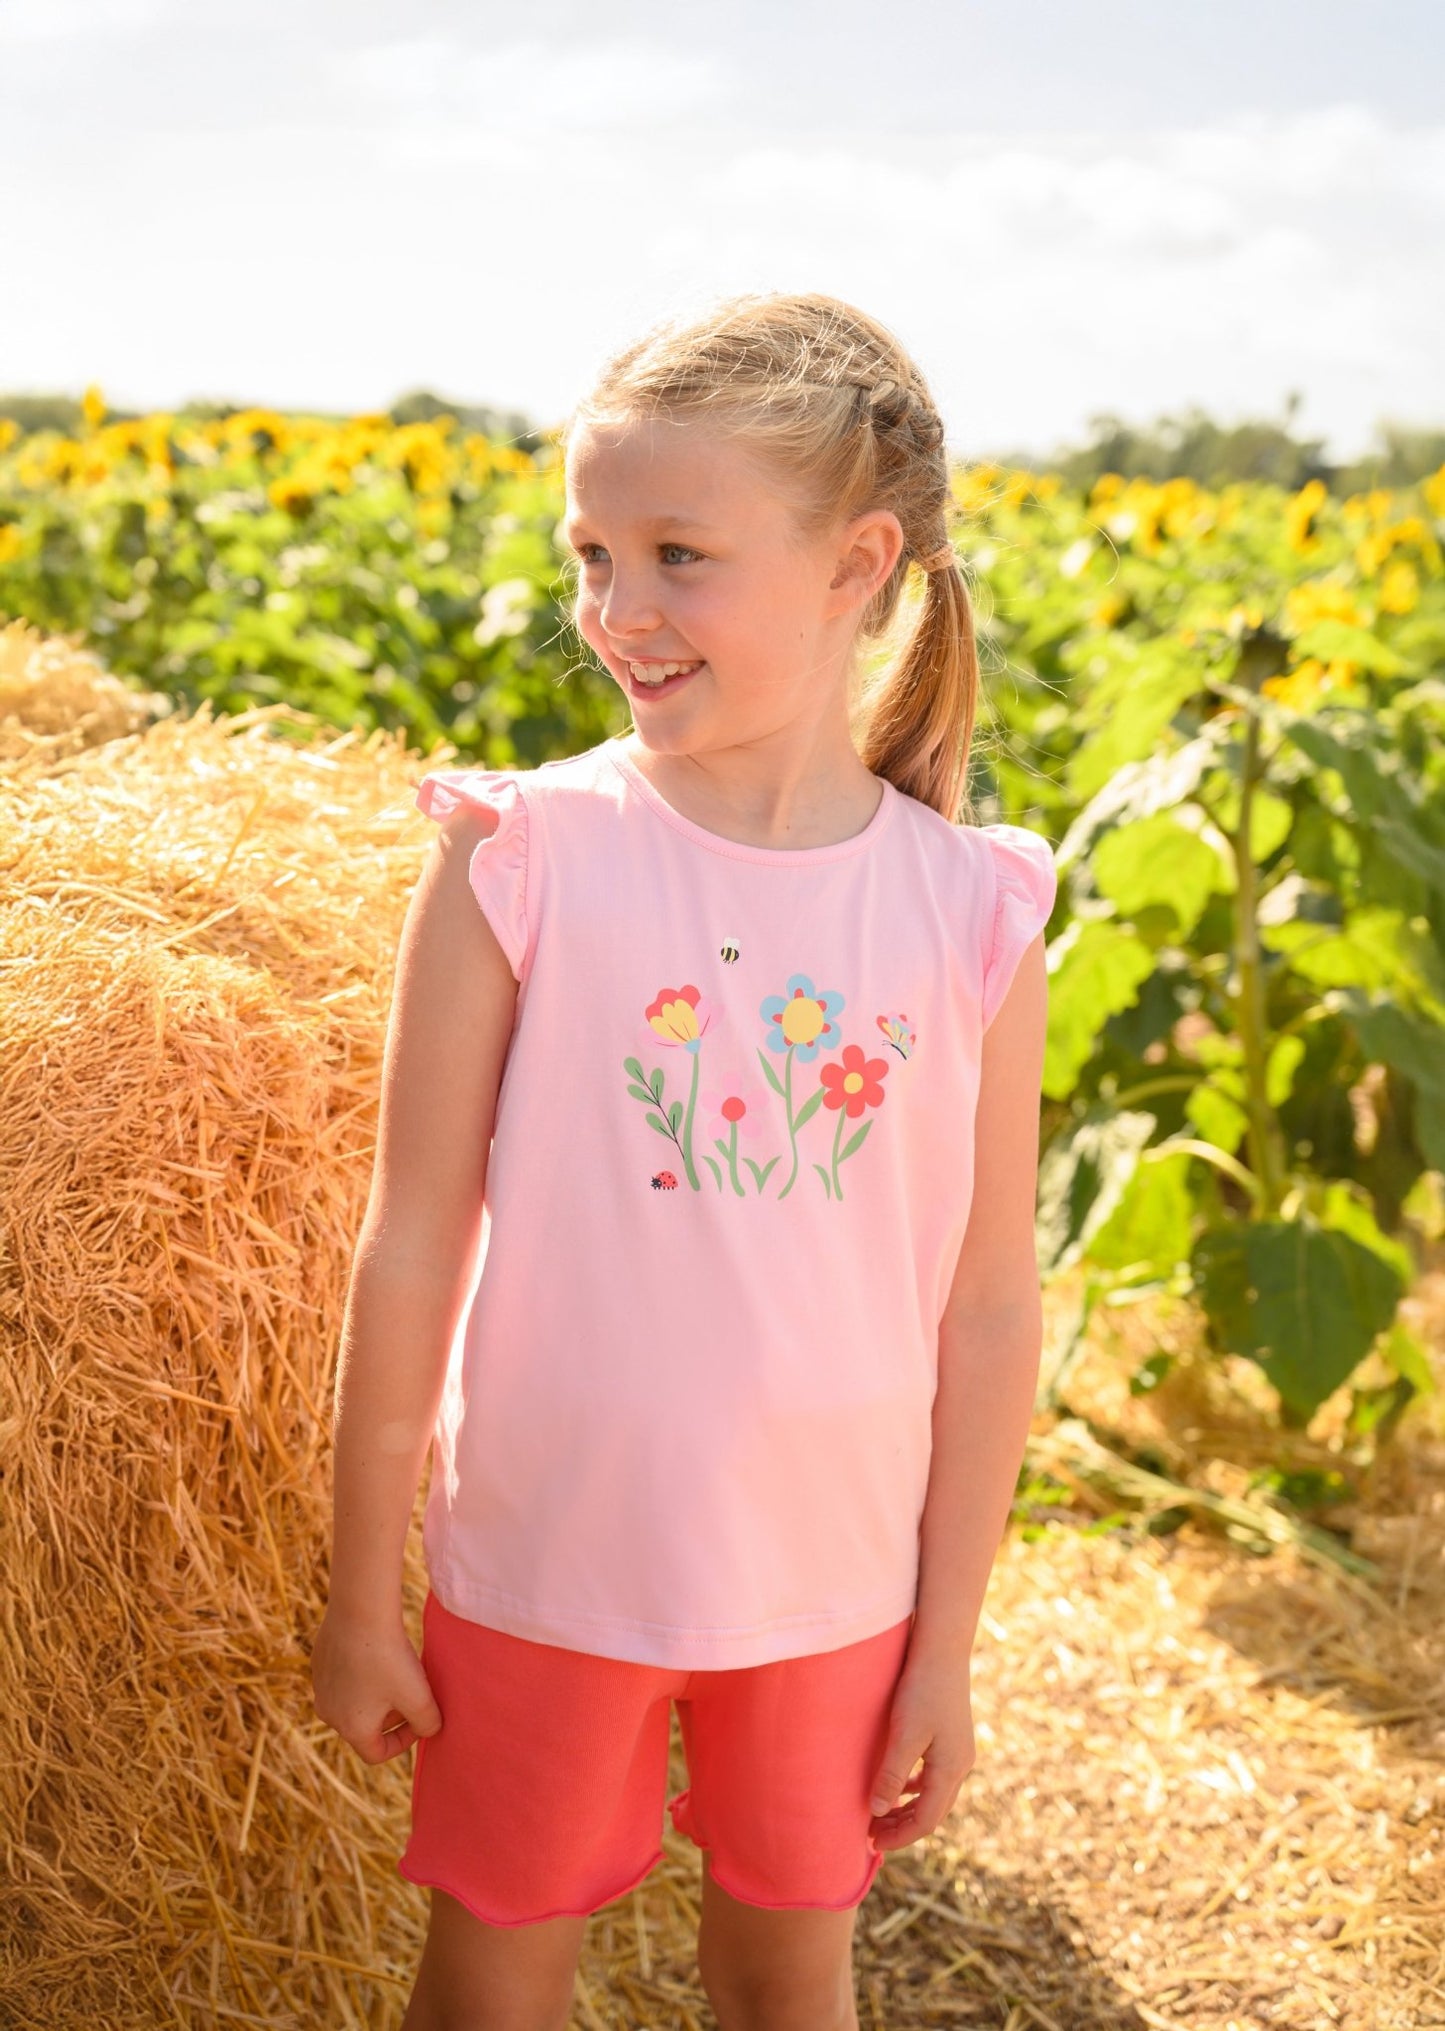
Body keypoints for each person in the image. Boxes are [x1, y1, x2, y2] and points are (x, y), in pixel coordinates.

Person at [311, 289, 1057, 2031]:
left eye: (675, 557)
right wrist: (360, 1593)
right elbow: (409, 1242)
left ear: (857, 564)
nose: (614, 611)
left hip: (835, 1585)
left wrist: (942, 1643)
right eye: (591, 555)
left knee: (789, 1981)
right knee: (493, 1980)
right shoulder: (523, 853)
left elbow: (987, 1306)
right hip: (548, 1560)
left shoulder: (971, 908)